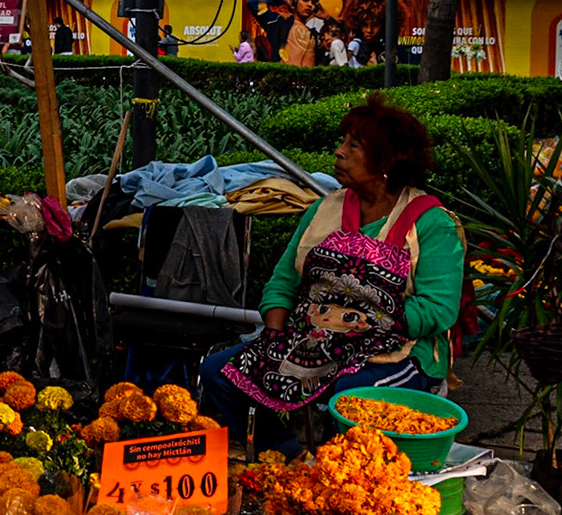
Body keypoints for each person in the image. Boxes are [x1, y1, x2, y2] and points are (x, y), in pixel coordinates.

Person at [195, 94, 463, 455]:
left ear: (387, 162)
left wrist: (363, 326)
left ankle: (343, 471)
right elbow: (283, 282)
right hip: (314, 341)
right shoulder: (325, 209)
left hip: (398, 352)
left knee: (346, 394)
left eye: (353, 147)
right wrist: (274, 335)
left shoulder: (432, 223)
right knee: (220, 371)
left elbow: (439, 309)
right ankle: (288, 455)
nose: (339, 152)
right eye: (343, 143)